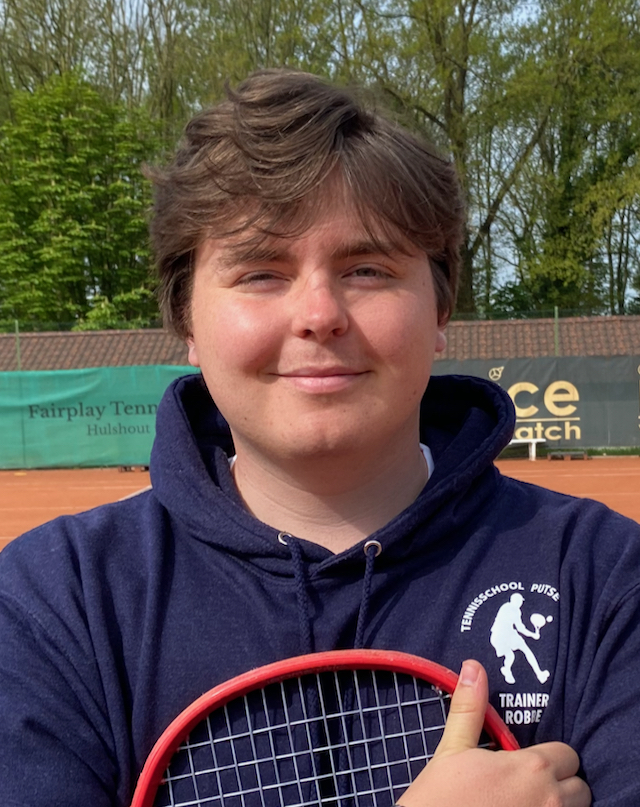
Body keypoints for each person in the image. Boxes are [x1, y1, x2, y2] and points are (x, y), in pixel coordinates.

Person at [0, 68, 637, 807]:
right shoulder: (52, 601)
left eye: (366, 268)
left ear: (440, 311)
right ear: (186, 322)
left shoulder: (608, 577)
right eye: (261, 273)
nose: (320, 315)